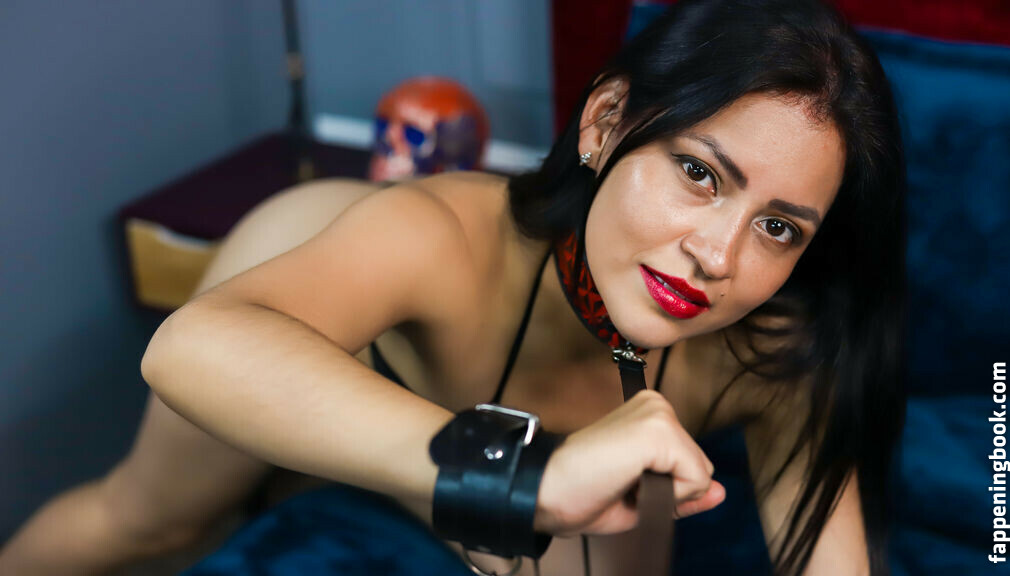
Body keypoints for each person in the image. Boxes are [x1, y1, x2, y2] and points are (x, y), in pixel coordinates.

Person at [0, 0, 905, 574]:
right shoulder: (437, 235)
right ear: (605, 122)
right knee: (149, 524)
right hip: (324, 296)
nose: (717, 255)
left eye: (779, 228)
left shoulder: (777, 355)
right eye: (699, 174)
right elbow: (191, 346)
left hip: (449, 425)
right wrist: (523, 476)